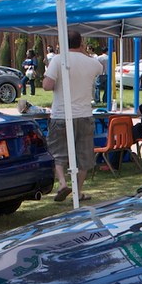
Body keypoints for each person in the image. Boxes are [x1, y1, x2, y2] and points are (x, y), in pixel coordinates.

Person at [42, 30, 103, 203]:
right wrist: (84, 52)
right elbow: (100, 68)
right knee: (84, 155)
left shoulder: (58, 60)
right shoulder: (92, 62)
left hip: (61, 113)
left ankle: (62, 183)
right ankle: (77, 191)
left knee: (57, 152)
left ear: (62, 42)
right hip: (84, 114)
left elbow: (47, 85)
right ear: (81, 43)